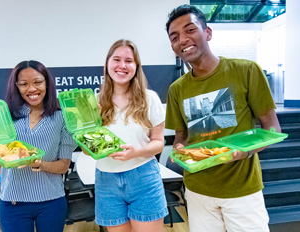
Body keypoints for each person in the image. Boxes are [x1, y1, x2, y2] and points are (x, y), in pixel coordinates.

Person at [165, 4, 281, 232]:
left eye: (190, 30)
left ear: (207, 33)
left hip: (242, 190)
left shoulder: (246, 71)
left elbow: (272, 128)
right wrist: (178, 149)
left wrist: (245, 151)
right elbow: (183, 136)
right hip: (198, 190)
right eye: (175, 36)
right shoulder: (177, 89)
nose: (183, 40)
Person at [0, 60, 77, 232]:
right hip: (13, 202)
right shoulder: (4, 117)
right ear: (16, 86)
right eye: (24, 84)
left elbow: (63, 166)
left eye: (38, 82)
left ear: (47, 83)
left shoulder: (62, 117)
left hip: (51, 201)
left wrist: (39, 164)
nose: (31, 89)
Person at [95, 39, 168, 232]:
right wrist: (92, 127)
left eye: (129, 61)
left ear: (136, 66)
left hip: (143, 176)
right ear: (107, 64)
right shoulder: (95, 103)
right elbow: (88, 152)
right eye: (117, 59)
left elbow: (159, 143)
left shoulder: (149, 98)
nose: (122, 65)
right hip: (106, 179)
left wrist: (136, 152)